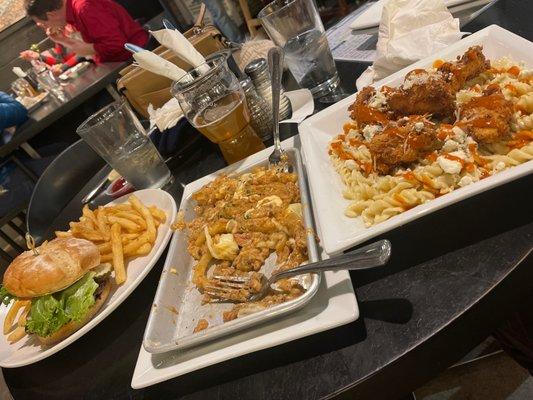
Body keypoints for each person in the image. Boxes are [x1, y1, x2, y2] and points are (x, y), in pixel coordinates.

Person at [24, 0, 149, 63]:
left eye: (43, 24)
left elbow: (118, 44)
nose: (45, 27)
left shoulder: (84, 8)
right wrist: (62, 40)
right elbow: (86, 47)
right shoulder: (74, 12)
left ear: (50, 15)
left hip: (138, 58)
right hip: (121, 61)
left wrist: (90, 49)